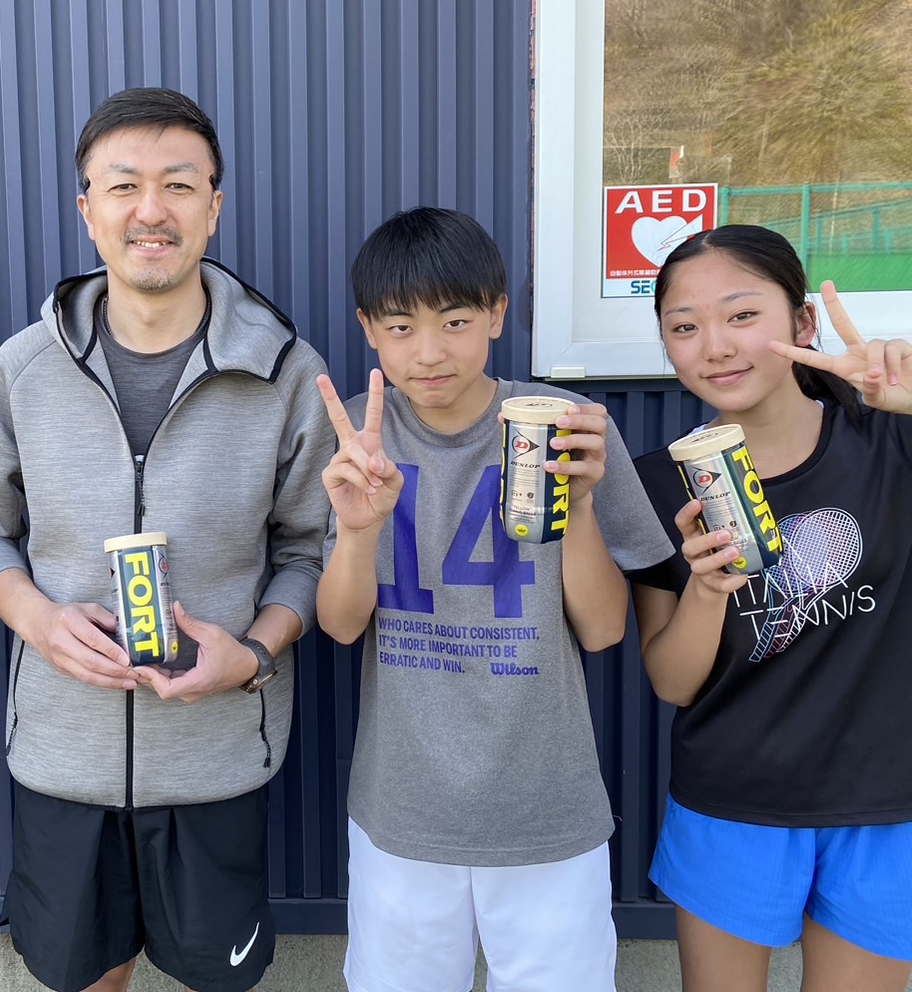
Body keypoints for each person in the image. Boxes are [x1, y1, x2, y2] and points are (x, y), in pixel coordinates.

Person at [0, 87, 331, 992]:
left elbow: (313, 547)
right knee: (86, 978)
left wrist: (256, 653)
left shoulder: (282, 371)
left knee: (215, 978)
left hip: (215, 755)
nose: (151, 210)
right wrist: (34, 618)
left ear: (213, 206)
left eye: (178, 185)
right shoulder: (22, 369)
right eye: (123, 186)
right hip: (62, 757)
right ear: (88, 210)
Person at [315, 207, 673, 992]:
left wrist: (580, 503)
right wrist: (357, 532)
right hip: (401, 811)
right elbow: (339, 626)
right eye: (400, 327)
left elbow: (604, 630)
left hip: (546, 808)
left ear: (497, 315)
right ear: (368, 330)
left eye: (455, 321)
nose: (429, 351)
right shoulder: (353, 439)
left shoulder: (564, 427)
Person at [628, 225, 912, 992]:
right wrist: (705, 590)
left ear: (802, 322)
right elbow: (671, 681)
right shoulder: (656, 484)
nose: (714, 346)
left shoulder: (887, 439)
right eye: (684, 327)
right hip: (732, 801)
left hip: (883, 801)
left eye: (741, 315)